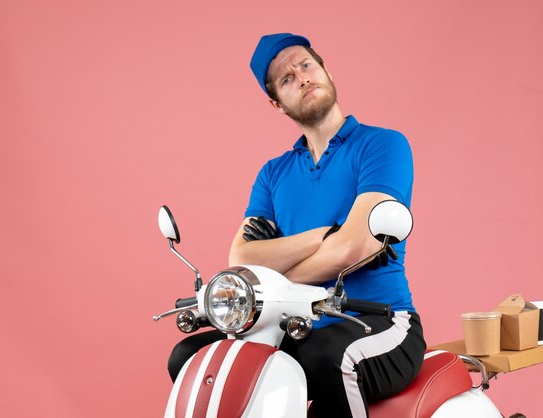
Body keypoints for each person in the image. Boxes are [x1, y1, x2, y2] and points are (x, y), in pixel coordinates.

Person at [168, 33, 426, 418]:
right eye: (287, 79)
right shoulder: (273, 174)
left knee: (327, 358)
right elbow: (242, 259)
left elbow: (354, 248)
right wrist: (324, 235)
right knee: (191, 357)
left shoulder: (381, 145)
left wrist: (280, 268)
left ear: (325, 70)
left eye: (306, 65)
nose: (301, 77)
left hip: (378, 319)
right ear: (276, 103)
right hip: (295, 323)